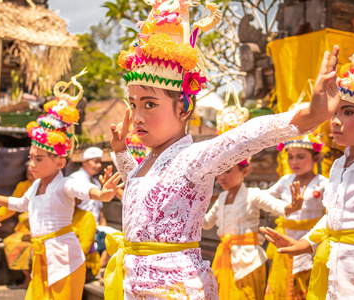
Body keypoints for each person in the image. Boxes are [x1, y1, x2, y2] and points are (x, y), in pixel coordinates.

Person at [106, 0, 340, 298]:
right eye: (134, 104)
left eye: (150, 104)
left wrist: (311, 115)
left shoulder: (193, 159)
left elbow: (250, 135)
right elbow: (138, 184)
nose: (138, 116)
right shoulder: (145, 165)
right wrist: (119, 151)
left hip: (174, 289)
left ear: (183, 107)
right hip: (132, 285)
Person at [0, 71, 123, 300]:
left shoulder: (64, 184)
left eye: (39, 159)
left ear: (60, 162)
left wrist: (102, 194)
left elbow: (84, 190)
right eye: (31, 158)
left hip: (63, 257)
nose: (32, 163)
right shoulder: (34, 187)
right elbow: (19, 203)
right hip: (42, 255)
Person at [260, 34, 354, 299]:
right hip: (333, 269)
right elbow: (334, 217)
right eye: (334, 113)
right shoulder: (337, 166)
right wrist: (305, 243)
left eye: (348, 112)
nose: (335, 121)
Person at [202, 159, 304, 300]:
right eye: (219, 172)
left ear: (244, 171)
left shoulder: (252, 194)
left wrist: (291, 207)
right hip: (224, 257)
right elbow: (206, 223)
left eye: (227, 171)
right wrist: (194, 209)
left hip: (248, 260)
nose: (222, 177)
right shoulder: (221, 197)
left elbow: (274, 205)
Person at [264, 134, 328, 300]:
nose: (295, 162)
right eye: (290, 157)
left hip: (310, 241)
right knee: (281, 283)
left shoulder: (324, 183)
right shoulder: (286, 181)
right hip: (284, 238)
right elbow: (262, 198)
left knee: (305, 284)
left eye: (301, 157)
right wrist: (286, 208)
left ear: (316, 157)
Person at [0, 161, 36, 288]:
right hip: (24, 228)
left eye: (32, 173)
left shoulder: (48, 186)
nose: (30, 176)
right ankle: (27, 277)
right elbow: (14, 204)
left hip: (42, 230)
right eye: (28, 174)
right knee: (11, 242)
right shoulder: (23, 186)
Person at [70, 147, 106, 225]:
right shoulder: (74, 178)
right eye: (95, 162)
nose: (99, 165)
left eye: (100, 162)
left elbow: (99, 208)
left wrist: (103, 223)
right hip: (77, 227)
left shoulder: (96, 182)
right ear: (84, 162)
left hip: (93, 227)